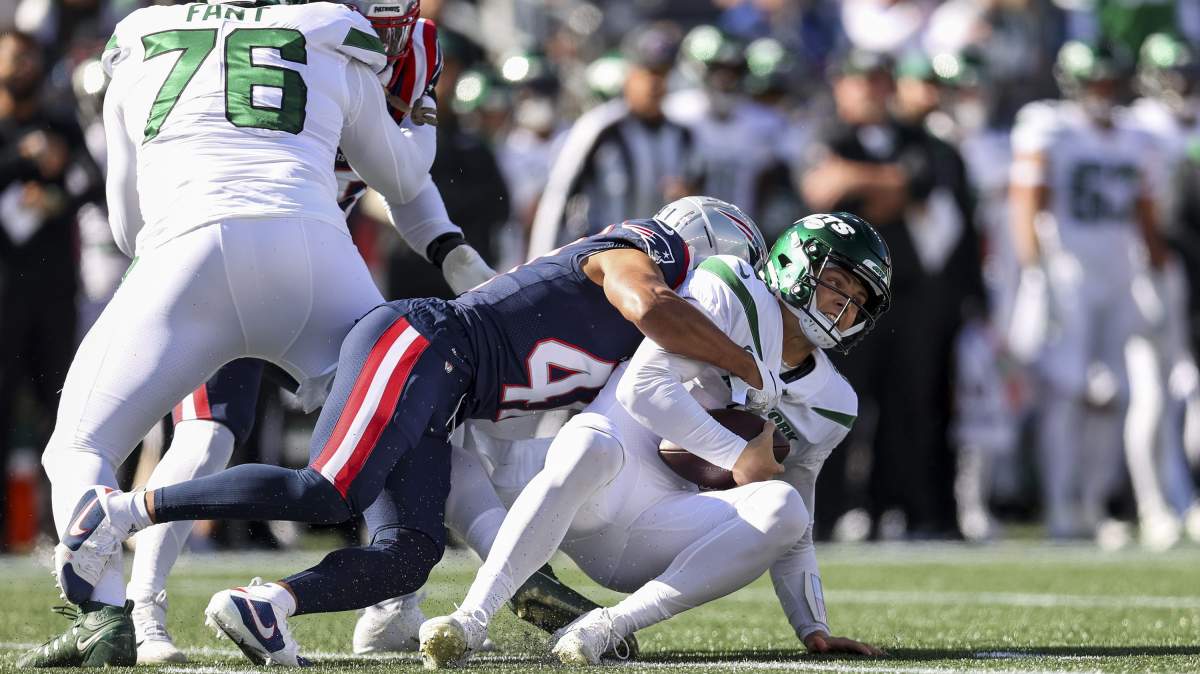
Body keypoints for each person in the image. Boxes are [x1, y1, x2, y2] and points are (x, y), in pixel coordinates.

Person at [51, 196, 777, 667]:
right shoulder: (653, 251)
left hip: (447, 391)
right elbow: (646, 303)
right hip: (425, 343)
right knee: (328, 489)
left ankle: (265, 607)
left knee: (409, 553)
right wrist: (745, 362)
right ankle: (119, 510)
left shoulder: (656, 339)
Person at [22, 0, 445, 667]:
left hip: (184, 257)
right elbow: (402, 176)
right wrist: (422, 114)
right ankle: (398, 594)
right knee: (404, 422)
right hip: (314, 255)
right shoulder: (328, 30)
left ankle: (107, 614)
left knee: (79, 446)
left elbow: (127, 226)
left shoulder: (136, 38)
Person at [120, 9, 500, 664]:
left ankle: (398, 600)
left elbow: (408, 177)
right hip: (223, 246)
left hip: (315, 268)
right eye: (367, 20)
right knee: (206, 437)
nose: (382, 38)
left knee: (406, 412)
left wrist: (451, 250)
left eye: (392, 22)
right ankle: (141, 609)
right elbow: (404, 167)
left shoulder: (410, 44)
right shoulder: (296, 31)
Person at [419, 212, 891, 667]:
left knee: (784, 507)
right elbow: (642, 389)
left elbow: (797, 519)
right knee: (569, 449)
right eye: (837, 282)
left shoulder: (833, 403)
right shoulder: (732, 287)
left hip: (663, 526)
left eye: (858, 300)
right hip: (603, 482)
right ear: (795, 263)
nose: (844, 305)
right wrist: (736, 454)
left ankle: (605, 627)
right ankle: (471, 617)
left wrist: (812, 624)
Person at [1009, 40, 1167, 539]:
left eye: (1107, 81)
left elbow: (1146, 214)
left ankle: (1096, 504)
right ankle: (1060, 505)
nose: (1101, 90)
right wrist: (1034, 271)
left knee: (1116, 391)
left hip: (1119, 273)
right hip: (1069, 272)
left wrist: (1159, 273)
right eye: (1093, 81)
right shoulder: (1049, 127)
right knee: (1067, 390)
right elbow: (1026, 202)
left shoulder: (1137, 136)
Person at [0, 30, 103, 551]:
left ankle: (57, 522)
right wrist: (24, 160)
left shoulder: (60, 123)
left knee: (59, 409)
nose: (22, 67)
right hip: (4, 292)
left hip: (55, 290)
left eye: (28, 57)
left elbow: (92, 181)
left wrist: (58, 188)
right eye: (12, 57)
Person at [528, 23, 701, 257]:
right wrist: (540, 262)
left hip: (660, 262)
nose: (655, 83)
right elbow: (558, 198)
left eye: (662, 73)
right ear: (629, 74)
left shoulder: (682, 135)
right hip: (601, 259)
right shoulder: (600, 128)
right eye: (647, 72)